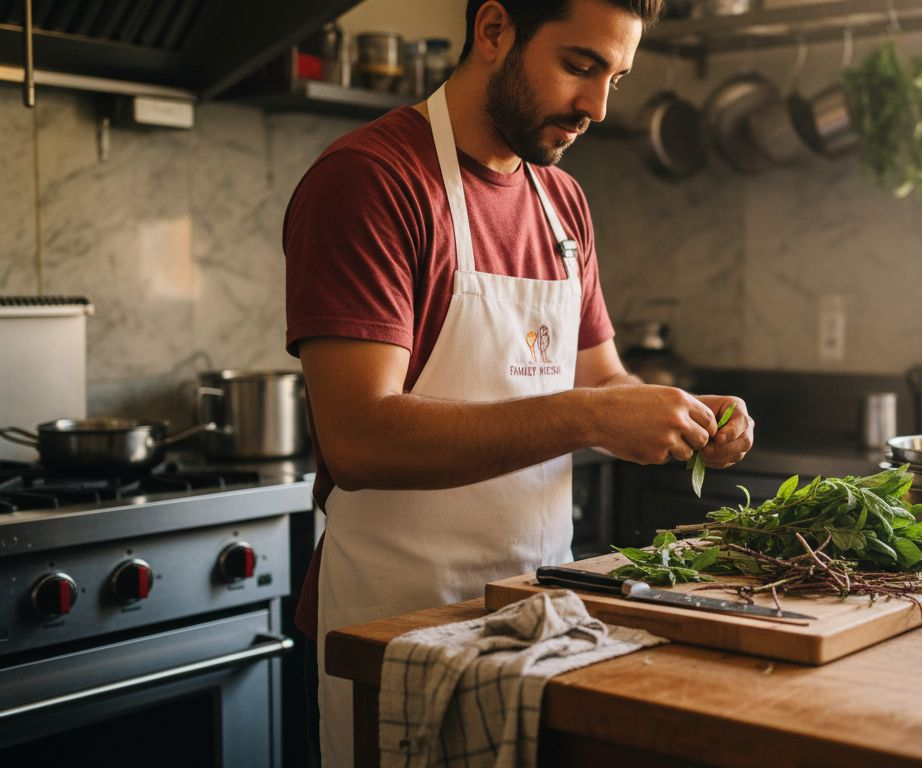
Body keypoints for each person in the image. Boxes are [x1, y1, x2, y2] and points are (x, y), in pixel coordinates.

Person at [282, 0, 754, 764]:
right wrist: (589, 419)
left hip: (536, 630)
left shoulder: (561, 201)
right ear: (494, 31)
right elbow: (360, 438)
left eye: (617, 77)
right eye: (579, 65)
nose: (597, 107)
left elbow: (602, 379)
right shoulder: (369, 181)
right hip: (396, 633)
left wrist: (685, 417)